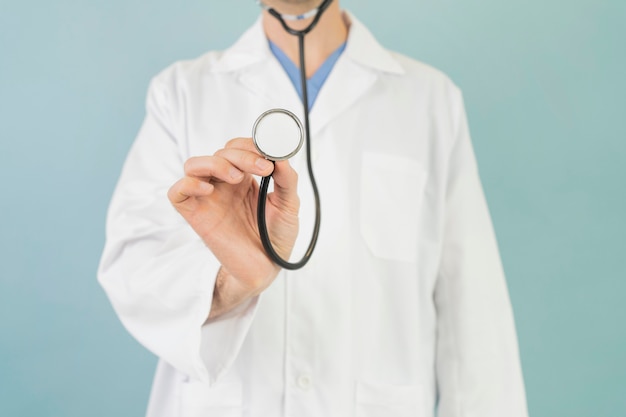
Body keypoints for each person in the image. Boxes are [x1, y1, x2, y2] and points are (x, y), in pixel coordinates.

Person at [98, 1, 529, 416]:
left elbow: (474, 315)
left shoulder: (430, 100)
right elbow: (132, 269)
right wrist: (233, 282)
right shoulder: (181, 93)